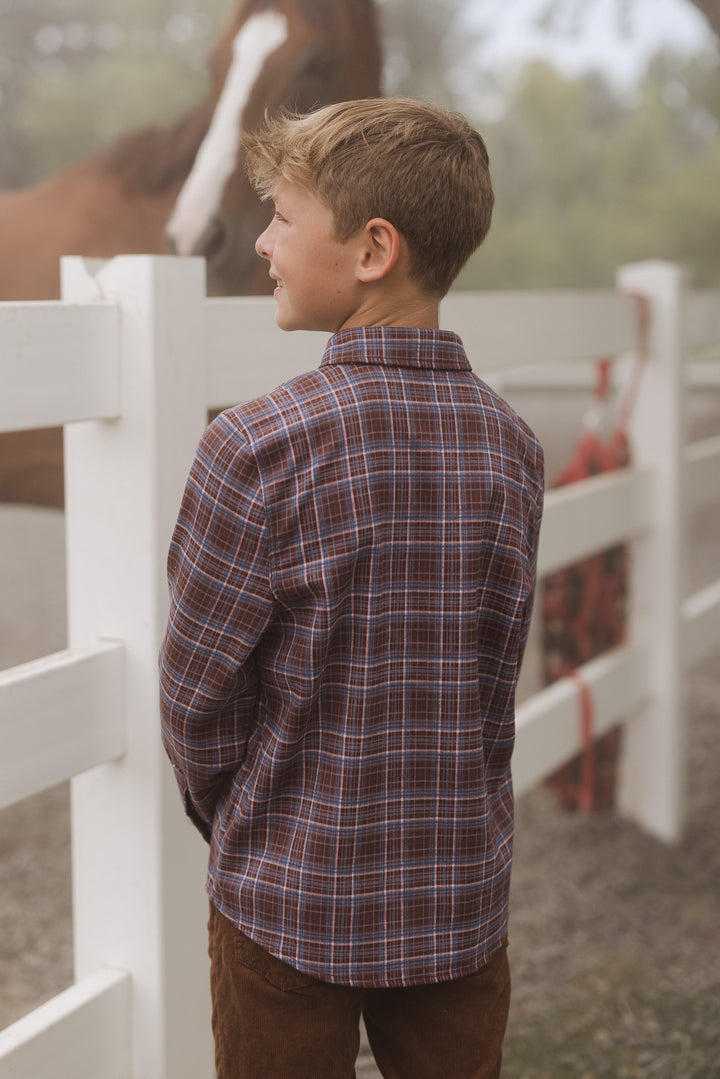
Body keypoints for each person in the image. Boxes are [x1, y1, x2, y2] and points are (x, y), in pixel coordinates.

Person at [159, 97, 544, 1079]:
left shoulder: (253, 447)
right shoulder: (512, 447)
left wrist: (245, 823)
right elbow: (491, 678)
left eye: (283, 217)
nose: (262, 241)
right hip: (458, 895)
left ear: (374, 248)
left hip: (287, 903)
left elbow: (198, 700)